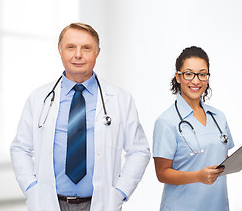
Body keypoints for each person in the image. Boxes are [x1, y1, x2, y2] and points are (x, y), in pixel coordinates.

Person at [10, 22, 150, 211]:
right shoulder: (38, 98)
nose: (78, 54)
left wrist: (120, 192)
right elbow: (20, 149)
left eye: (86, 48)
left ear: (97, 52)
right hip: (50, 202)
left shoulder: (120, 98)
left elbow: (139, 151)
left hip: (100, 203)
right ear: (60, 50)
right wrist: (31, 188)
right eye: (71, 47)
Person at [152, 46, 234, 211]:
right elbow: (162, 174)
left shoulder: (218, 117)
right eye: (189, 74)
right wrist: (198, 176)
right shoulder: (166, 121)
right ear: (178, 77)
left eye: (202, 74)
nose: (196, 81)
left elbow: (222, 156)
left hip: (217, 205)